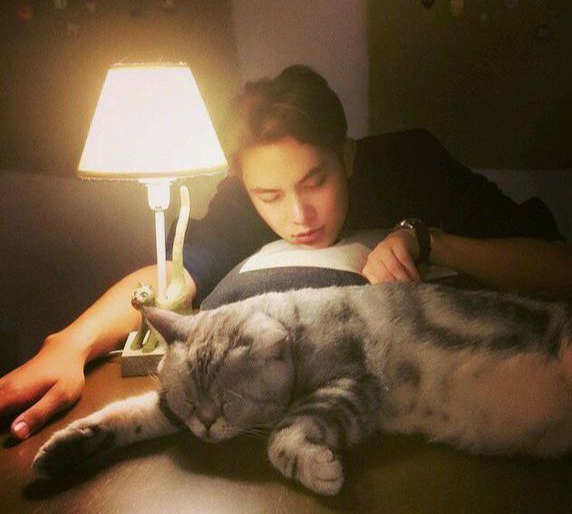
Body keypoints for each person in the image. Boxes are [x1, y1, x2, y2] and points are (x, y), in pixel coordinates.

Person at [1, 65, 571, 442]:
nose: (299, 215)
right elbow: (175, 272)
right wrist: (71, 342)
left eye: (315, 181)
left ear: (347, 156)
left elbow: (556, 266)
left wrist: (427, 240)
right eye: (269, 195)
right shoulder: (242, 202)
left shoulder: (412, 160)